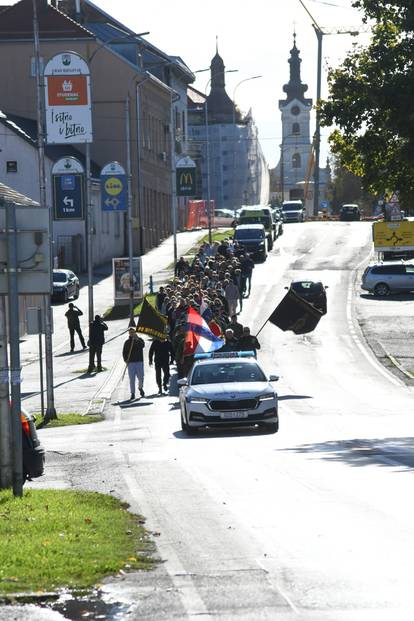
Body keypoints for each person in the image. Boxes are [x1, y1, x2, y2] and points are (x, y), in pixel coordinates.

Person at [122, 327, 145, 400]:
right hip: (131, 363)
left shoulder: (140, 340)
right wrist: (126, 360)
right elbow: (124, 352)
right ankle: (132, 393)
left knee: (141, 377)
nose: (132, 334)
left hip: (139, 361)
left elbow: (142, 345)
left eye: (133, 332)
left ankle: (140, 388)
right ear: (129, 333)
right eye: (131, 332)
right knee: (132, 379)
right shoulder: (127, 342)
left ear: (135, 332)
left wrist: (137, 339)